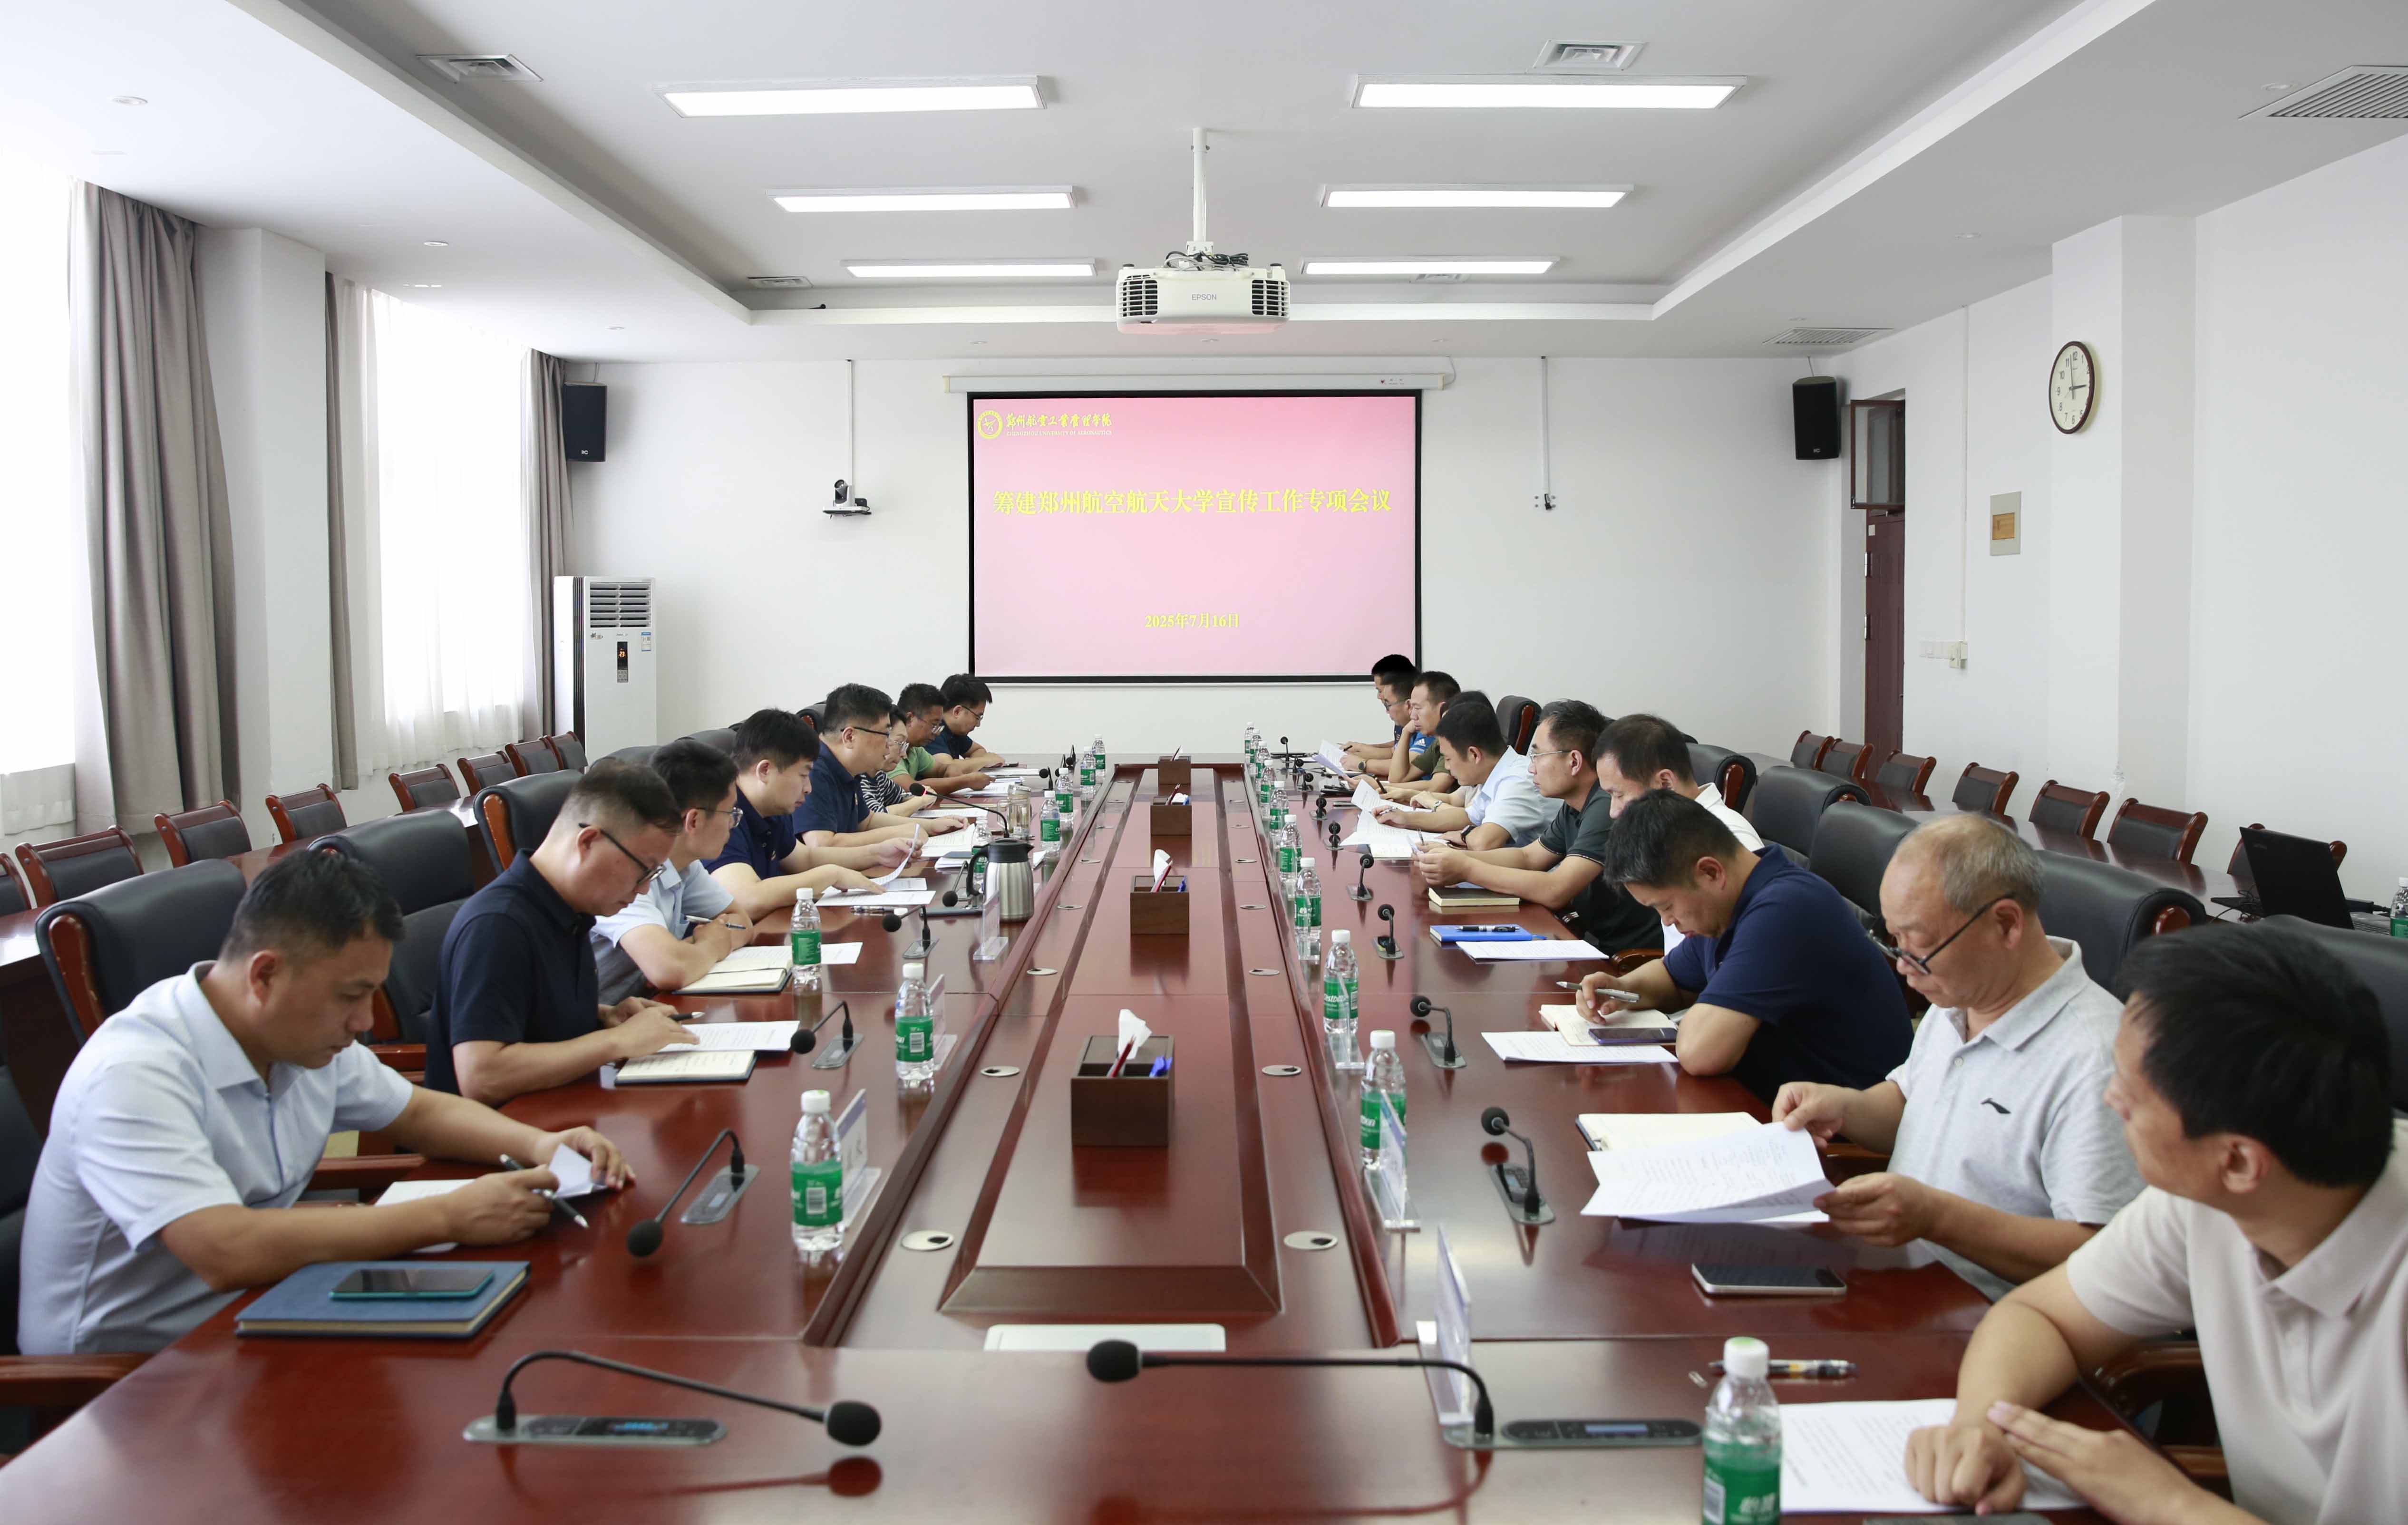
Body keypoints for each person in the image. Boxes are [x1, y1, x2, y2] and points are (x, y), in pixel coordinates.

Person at [16, 850, 630, 1355]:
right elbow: (224, 1248)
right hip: (132, 1376)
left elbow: (421, 1113)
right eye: (350, 996)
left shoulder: (297, 1035)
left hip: (267, 1309)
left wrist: (540, 1145)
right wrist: (448, 1215)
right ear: (264, 976)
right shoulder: (134, 1073)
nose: (365, 1022)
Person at [1903, 924, 2406, 1525]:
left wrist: (2171, 1503)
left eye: (2135, 1095)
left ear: (2238, 1162)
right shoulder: (2207, 1198)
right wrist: (1980, 1426)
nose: (2110, 1099)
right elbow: (2041, 1315)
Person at [1769, 815, 2142, 1298]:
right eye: (1894, 941)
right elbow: (1913, 1104)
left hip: (1987, 1312)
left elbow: (2104, 1256)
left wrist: (1938, 1218)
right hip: (1892, 1277)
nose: (1904, 969)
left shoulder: (2097, 1058)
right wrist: (1844, 1107)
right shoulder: (1960, 998)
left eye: (1920, 948)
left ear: (2006, 924)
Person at [1576, 789, 1910, 1096]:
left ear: (1711, 873)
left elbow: (1700, 1053)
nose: (1667, 921)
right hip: (1770, 1102)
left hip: (1835, 1128)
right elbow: (1674, 979)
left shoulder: (1786, 909)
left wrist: (1698, 1018)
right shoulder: (1728, 905)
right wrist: (1621, 989)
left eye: (1667, 906)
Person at [425, 759, 699, 1104]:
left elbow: (529, 1016)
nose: (644, 889)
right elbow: (482, 1077)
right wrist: (616, 1042)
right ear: (589, 842)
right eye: (644, 870)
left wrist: (605, 1016)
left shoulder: (568, 909)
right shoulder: (498, 925)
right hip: (502, 1132)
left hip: (563, 1109)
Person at [1410, 700, 1662, 955]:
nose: (1531, 768)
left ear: (1574, 762)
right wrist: (1451, 857)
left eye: (1538, 756)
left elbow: (1556, 889)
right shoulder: (1574, 804)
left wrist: (1467, 869)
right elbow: (1528, 858)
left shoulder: (1606, 806)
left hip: (1625, 957)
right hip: (1589, 939)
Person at [588, 738, 759, 1003]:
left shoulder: (685, 863)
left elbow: (742, 923)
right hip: (601, 1019)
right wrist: (710, 945)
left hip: (648, 1005)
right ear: (694, 820)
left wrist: (684, 953)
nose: (733, 824)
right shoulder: (625, 871)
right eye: (730, 813)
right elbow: (669, 969)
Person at [704, 707, 907, 920]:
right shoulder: (722, 813)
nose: (809, 788)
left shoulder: (772, 809)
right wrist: (831, 875)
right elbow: (748, 898)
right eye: (803, 775)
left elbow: (805, 859)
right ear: (765, 771)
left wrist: (877, 854)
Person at [1591, 713, 1764, 958]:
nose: (1614, 811)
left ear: (1665, 783)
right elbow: (1687, 961)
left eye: (1618, 795)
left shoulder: (1732, 842)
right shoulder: (1668, 831)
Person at [795, 683, 969, 850]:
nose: (889, 745)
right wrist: (897, 833)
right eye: (885, 734)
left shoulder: (850, 769)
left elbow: (867, 821)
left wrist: (930, 826)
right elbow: (822, 844)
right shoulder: (814, 770)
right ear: (850, 737)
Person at [1373, 692, 1549, 849]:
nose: (1447, 767)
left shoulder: (1517, 780)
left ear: (1474, 755)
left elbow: (1484, 842)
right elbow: (1467, 817)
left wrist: (1461, 836)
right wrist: (1405, 819)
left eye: (1448, 759)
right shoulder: (1493, 773)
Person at [895, 682, 989, 797]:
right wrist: (965, 781)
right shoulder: (890, 749)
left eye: (939, 726)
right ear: (910, 719)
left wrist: (950, 769)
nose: (937, 733)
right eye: (934, 725)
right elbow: (910, 788)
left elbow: (940, 769)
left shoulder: (916, 750)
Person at [1378, 669, 1459, 795]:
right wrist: (1406, 732)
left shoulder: (1456, 740)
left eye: (1418, 708)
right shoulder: (1437, 743)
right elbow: (1397, 778)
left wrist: (1377, 785)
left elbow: (1434, 787)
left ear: (1442, 709)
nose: (1413, 716)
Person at [858, 705, 934, 819]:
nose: (904, 754)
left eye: (905, 745)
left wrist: (924, 795)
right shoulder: (858, 778)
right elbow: (876, 818)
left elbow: (901, 797)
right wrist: (921, 801)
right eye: (900, 743)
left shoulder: (879, 776)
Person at [1341, 654, 1417, 767]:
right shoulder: (1402, 717)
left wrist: (1363, 765)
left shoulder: (1423, 725)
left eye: (1380, 691)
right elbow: (1395, 750)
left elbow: (1404, 766)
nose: (1379, 697)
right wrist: (1362, 749)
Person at [925, 673, 1004, 772]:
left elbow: (978, 750)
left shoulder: (955, 731)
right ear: (957, 712)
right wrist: (985, 761)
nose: (978, 724)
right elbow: (946, 768)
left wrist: (973, 763)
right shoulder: (932, 731)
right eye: (977, 717)